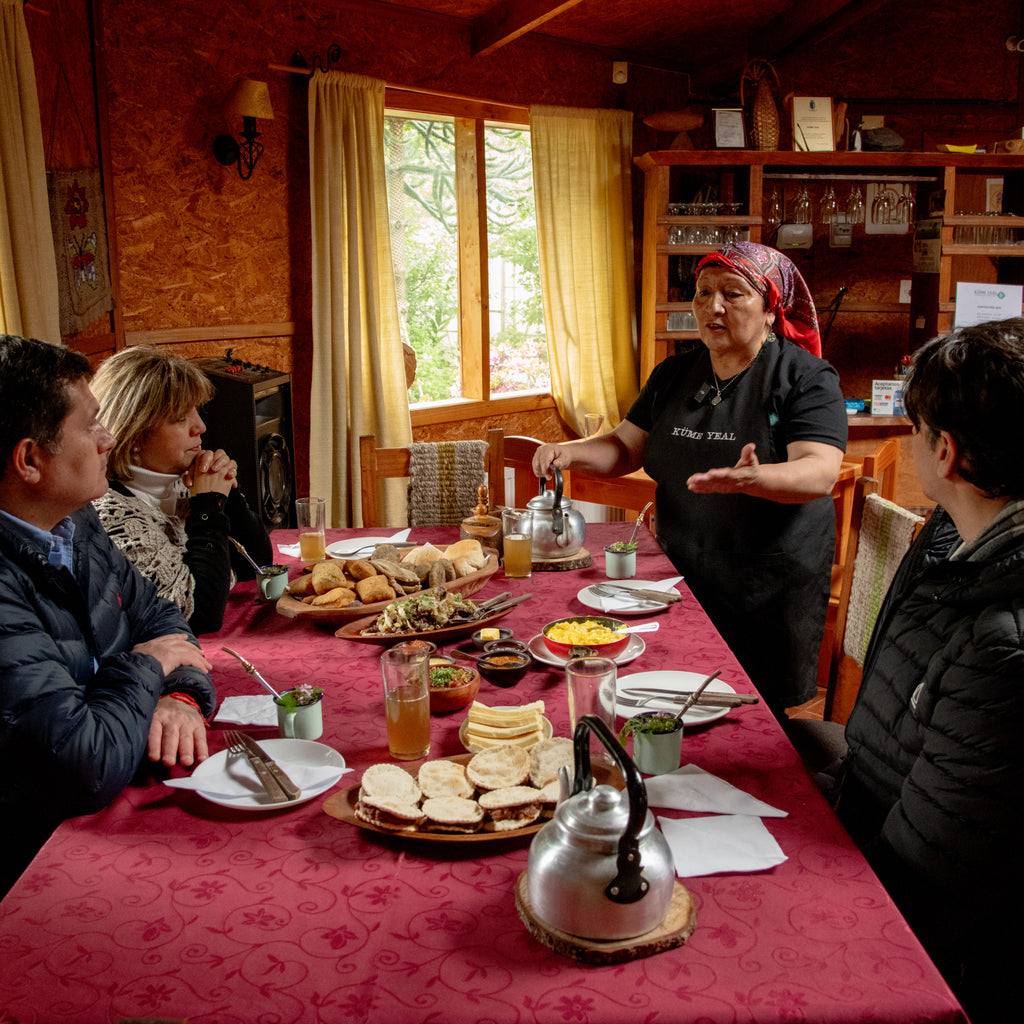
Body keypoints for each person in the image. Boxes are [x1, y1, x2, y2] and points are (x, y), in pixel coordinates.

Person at [533, 241, 847, 713]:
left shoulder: (805, 378)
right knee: (667, 700)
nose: (712, 306)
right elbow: (623, 447)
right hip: (678, 577)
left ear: (769, 308)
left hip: (765, 588)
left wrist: (753, 479)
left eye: (733, 294)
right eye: (702, 293)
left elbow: (819, 471)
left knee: (749, 718)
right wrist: (568, 453)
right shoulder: (674, 373)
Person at [833, 318, 1024, 1024]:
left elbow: (921, 885)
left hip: (929, 951)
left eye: (912, 427)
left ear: (945, 452)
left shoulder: (1003, 647)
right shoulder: (951, 539)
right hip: (866, 824)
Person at [0, 335, 216, 894]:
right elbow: (83, 764)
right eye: (91, 424)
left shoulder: (76, 525)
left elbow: (169, 623)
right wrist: (148, 667)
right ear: (29, 460)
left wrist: (181, 696)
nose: (108, 439)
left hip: (107, 818)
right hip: (37, 868)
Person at [91, 346, 272, 635]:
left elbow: (257, 565)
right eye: (180, 418)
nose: (200, 426)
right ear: (134, 432)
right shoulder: (112, 515)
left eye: (196, 411)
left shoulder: (179, 478)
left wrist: (225, 490)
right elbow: (200, 614)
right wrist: (210, 504)